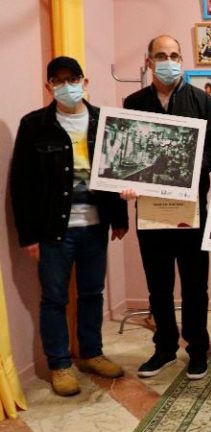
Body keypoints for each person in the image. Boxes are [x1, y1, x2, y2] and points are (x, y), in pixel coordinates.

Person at [10, 56, 129, 397]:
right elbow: (21, 183)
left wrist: (119, 217)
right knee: (54, 299)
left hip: (95, 226)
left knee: (92, 293)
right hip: (53, 231)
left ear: (84, 81)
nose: (66, 85)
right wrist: (28, 234)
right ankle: (60, 364)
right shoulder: (34, 125)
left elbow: (118, 170)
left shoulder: (104, 121)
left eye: (72, 78)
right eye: (58, 80)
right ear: (48, 85)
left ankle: (91, 353)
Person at [121, 35, 211, 380]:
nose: (169, 60)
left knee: (196, 285)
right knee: (158, 286)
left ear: (183, 59)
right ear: (149, 61)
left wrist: (183, 172)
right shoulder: (133, 102)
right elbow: (126, 153)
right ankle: (164, 347)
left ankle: (198, 350)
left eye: (175, 55)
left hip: (191, 209)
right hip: (151, 212)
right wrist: (128, 180)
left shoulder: (202, 101)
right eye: (161, 55)